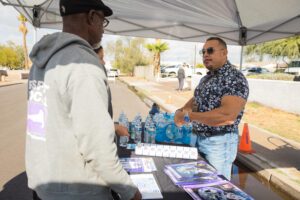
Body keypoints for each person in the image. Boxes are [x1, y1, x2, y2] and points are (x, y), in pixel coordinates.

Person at [26, 0, 141, 200]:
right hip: (76, 192)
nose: (103, 30)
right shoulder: (85, 66)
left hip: (44, 185)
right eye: (103, 21)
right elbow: (97, 148)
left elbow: (57, 120)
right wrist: (130, 192)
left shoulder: (42, 62)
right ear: (91, 17)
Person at [174, 37, 249, 180]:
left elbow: (227, 116)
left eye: (210, 50)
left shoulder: (234, 78)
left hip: (218, 143)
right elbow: (194, 101)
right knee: (197, 185)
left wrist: (190, 117)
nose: (205, 55)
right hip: (197, 138)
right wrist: (181, 111)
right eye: (203, 52)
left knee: (214, 187)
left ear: (224, 53)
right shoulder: (206, 79)